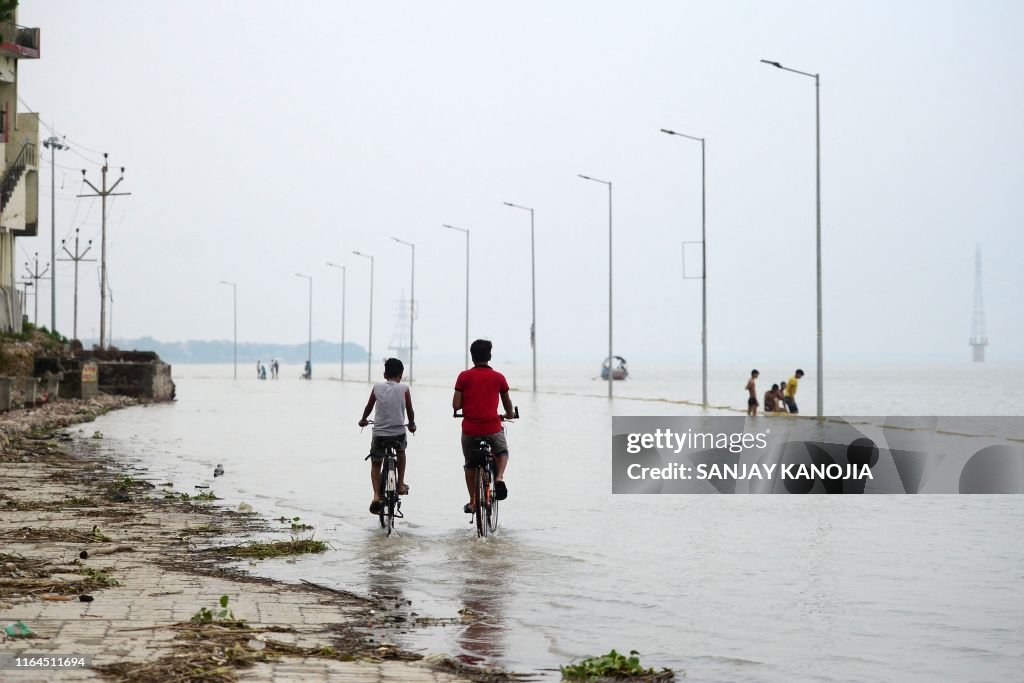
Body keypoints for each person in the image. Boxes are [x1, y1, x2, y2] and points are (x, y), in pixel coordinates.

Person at [453, 339, 515, 513]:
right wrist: (509, 415)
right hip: (493, 428)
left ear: (472, 357)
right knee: (502, 452)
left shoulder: (463, 377)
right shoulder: (499, 377)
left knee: (470, 465)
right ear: (489, 356)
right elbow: (507, 403)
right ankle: (500, 477)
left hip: (470, 430)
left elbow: (456, 405)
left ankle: (473, 501)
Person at [358, 357, 416, 515]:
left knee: (376, 463)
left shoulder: (377, 387)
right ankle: (401, 484)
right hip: (398, 433)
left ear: (385, 374)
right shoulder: (404, 389)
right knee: (401, 452)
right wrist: (411, 424)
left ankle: (377, 495)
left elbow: (369, 407)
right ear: (401, 374)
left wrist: (363, 420)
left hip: (380, 434)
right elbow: (410, 411)